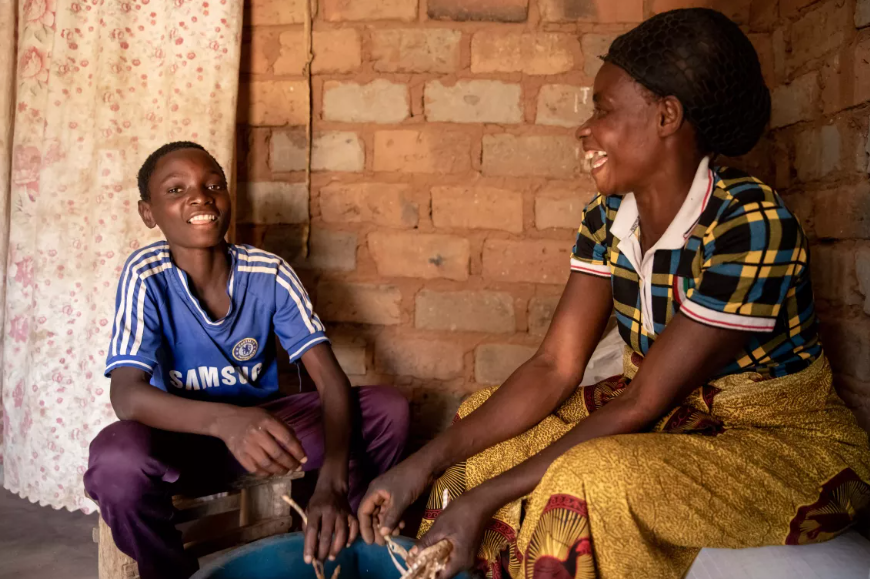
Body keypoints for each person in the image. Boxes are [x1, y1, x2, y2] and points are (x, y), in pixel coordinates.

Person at [357, 8, 870, 579]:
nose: (585, 128)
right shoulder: (607, 219)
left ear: (667, 115)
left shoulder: (749, 226)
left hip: (780, 444)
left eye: (602, 108)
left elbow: (642, 400)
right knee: (478, 429)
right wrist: (420, 464)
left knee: (592, 476)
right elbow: (555, 365)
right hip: (672, 418)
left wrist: (482, 504)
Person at [83, 142, 409, 579]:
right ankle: (168, 570)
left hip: (266, 439)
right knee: (116, 460)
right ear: (149, 213)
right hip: (183, 442)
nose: (200, 197)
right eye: (177, 189)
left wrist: (331, 481)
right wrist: (225, 422)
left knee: (388, 410)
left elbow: (330, 381)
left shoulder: (268, 272)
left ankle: (342, 538)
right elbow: (127, 396)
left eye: (212, 185)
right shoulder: (146, 274)